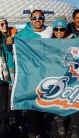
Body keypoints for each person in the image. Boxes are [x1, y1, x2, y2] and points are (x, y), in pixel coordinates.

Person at [15, 9, 52, 138]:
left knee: (43, 101)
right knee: (32, 102)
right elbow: (11, 48)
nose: (37, 20)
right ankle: (33, 131)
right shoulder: (22, 34)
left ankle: (40, 128)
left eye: (40, 17)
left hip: (45, 73)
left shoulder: (50, 31)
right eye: (34, 18)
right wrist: (8, 42)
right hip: (30, 73)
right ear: (30, 19)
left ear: (44, 19)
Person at [0, 11, 23, 136]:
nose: (5, 26)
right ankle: (5, 124)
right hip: (1, 76)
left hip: (14, 75)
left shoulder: (14, 39)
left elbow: (15, 50)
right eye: (1, 24)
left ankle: (20, 123)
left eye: (6, 24)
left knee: (16, 101)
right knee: (3, 104)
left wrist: (11, 42)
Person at [52, 17, 79, 138]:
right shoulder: (50, 43)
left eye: (62, 29)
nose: (59, 31)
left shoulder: (73, 40)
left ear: (66, 30)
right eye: (56, 29)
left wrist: (73, 38)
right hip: (58, 78)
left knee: (74, 102)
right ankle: (61, 124)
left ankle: (75, 127)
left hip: (73, 78)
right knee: (60, 102)